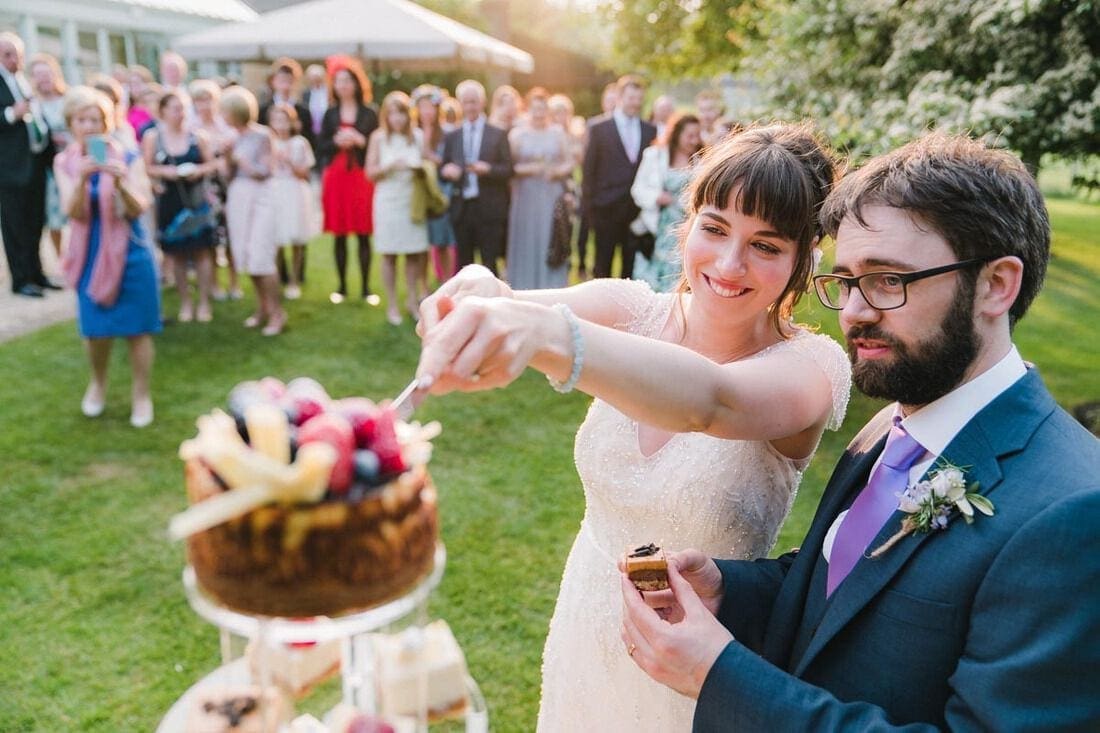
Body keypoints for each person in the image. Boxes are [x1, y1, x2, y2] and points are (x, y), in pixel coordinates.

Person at [619, 134, 1100, 731]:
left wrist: (718, 674)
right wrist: (730, 590)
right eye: (846, 281)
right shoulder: (892, 425)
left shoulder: (1074, 514)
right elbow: (844, 591)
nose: (854, 313)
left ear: (996, 285)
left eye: (889, 280)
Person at [415, 123, 852, 731]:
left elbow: (713, 402)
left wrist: (549, 337)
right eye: (716, 228)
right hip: (585, 620)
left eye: (766, 246)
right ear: (689, 220)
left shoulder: (812, 368)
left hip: (692, 662)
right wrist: (482, 294)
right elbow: (504, 304)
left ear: (804, 259)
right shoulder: (629, 309)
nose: (729, 264)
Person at [54, 86, 161, 427]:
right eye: (82, 119)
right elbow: (73, 213)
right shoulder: (65, 162)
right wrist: (84, 179)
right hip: (89, 254)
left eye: (97, 119)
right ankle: (98, 384)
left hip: (130, 250)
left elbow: (140, 205)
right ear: (72, 123)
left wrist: (121, 182)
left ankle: (141, 395)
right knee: (96, 331)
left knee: (138, 330)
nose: (90, 126)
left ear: (108, 122)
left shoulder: (127, 156)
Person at [143, 92, 219, 322]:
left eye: (184, 108)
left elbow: (212, 164)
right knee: (176, 253)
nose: (181, 113)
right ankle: (186, 302)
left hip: (196, 199)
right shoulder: (153, 137)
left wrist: (198, 171)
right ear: (163, 110)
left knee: (202, 250)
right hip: (170, 199)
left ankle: (204, 302)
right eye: (176, 108)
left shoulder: (198, 136)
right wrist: (166, 172)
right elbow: (147, 167)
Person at [220, 86, 285, 336]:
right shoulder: (230, 138)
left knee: (261, 256)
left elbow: (265, 171)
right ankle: (262, 308)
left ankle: (278, 313)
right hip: (239, 197)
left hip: (262, 197)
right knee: (246, 255)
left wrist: (238, 158)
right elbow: (226, 176)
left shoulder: (263, 136)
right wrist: (226, 157)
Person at [582, 74, 657, 279]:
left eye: (639, 99)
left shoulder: (650, 130)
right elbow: (588, 171)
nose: (635, 103)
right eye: (631, 98)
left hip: (636, 209)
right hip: (605, 208)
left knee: (630, 267)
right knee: (602, 266)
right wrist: (590, 207)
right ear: (620, 97)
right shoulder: (598, 128)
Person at [318, 55, 378, 304]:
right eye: (338, 81)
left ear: (356, 83)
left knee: (363, 233)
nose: (343, 85)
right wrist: (336, 142)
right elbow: (320, 145)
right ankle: (341, 287)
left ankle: (366, 287)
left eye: (347, 80)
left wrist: (360, 140)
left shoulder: (369, 113)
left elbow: (377, 142)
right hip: (337, 176)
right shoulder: (330, 114)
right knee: (339, 234)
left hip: (361, 176)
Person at [0, 31, 56, 297]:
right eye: (8, 54)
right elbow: (11, 116)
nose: (14, 59)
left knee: (35, 221)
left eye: (17, 54)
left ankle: (37, 273)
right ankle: (21, 279)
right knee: (15, 225)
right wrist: (12, 113)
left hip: (35, 163)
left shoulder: (22, 81)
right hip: (10, 168)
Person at [366, 90, 428, 325]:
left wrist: (419, 168)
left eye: (401, 113)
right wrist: (389, 166)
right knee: (389, 253)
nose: (397, 119)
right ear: (386, 116)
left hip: (411, 201)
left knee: (414, 253)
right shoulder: (379, 138)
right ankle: (391, 303)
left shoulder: (418, 137)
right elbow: (369, 172)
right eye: (392, 114)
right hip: (388, 201)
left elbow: (426, 166)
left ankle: (412, 300)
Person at [439, 79, 513, 276]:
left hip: (489, 207)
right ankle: (467, 303)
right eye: (466, 102)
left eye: (474, 101)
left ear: (482, 103)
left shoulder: (497, 134)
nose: (470, 106)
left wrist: (487, 169)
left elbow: (508, 169)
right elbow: (443, 168)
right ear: (460, 104)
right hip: (462, 208)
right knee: (464, 264)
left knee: (490, 261)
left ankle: (493, 304)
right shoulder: (452, 136)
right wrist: (447, 171)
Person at [505, 87, 574, 290]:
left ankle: (551, 285)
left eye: (543, 109)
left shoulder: (557, 133)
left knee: (549, 236)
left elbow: (569, 162)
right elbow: (509, 167)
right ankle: (523, 285)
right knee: (526, 238)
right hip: (525, 195)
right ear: (528, 109)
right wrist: (528, 169)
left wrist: (558, 171)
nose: (539, 113)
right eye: (535, 109)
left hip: (550, 193)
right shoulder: (517, 135)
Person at [631, 113, 703, 291]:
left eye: (697, 135)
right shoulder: (655, 156)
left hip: (687, 227)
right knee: (655, 277)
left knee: (681, 276)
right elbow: (638, 189)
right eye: (689, 136)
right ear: (677, 134)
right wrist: (657, 197)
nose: (694, 141)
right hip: (660, 228)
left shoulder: (700, 160)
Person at [189, 79, 241, 301]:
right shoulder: (191, 128)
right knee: (209, 237)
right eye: (199, 101)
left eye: (208, 99)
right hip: (203, 187)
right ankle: (214, 284)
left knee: (230, 235)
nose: (204, 105)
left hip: (227, 186)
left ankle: (235, 282)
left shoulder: (226, 126)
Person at [268, 103, 317, 300]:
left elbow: (305, 173)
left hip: (294, 191)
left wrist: (288, 161)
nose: (281, 124)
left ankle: (294, 281)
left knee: (297, 238)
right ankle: (280, 278)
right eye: (277, 120)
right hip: (274, 191)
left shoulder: (300, 143)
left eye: (284, 120)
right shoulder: (268, 142)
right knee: (277, 239)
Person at [412, 83, 456, 286]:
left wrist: (431, 158)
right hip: (418, 190)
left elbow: (451, 160)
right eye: (423, 107)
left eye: (430, 107)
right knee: (421, 242)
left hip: (440, 189)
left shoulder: (447, 133)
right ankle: (423, 285)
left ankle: (446, 281)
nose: (427, 112)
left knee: (442, 240)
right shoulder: (412, 133)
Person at [29, 52, 68, 260]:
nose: (44, 79)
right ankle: (61, 259)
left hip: (73, 162)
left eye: (47, 74)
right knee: (55, 217)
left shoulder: (69, 99)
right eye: (39, 75)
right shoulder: (33, 105)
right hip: (49, 168)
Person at [303, 63, 329, 143]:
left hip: (326, 130)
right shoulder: (306, 94)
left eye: (317, 77)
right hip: (311, 132)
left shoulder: (328, 93)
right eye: (312, 77)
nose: (315, 80)